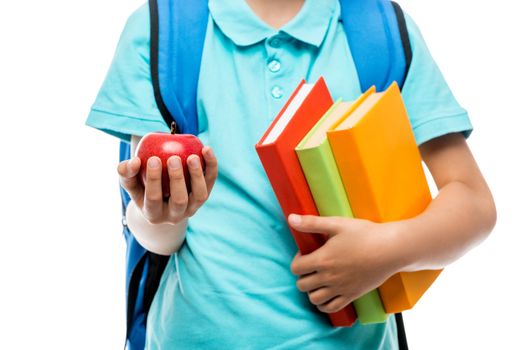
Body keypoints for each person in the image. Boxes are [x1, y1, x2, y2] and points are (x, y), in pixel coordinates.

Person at [86, 0, 497, 348]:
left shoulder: (377, 29)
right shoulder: (164, 31)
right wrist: (163, 216)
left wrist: (386, 251)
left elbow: (473, 202)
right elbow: (154, 233)